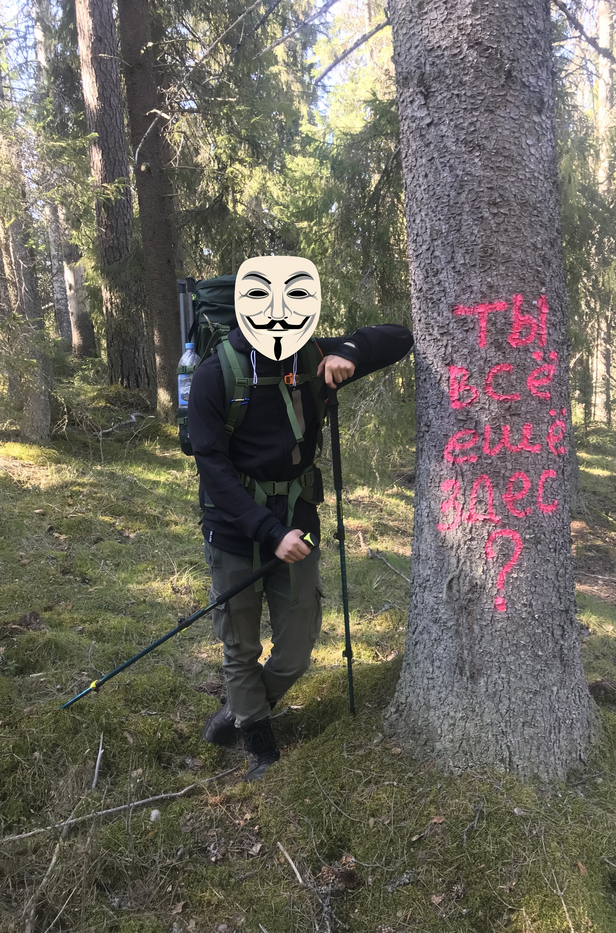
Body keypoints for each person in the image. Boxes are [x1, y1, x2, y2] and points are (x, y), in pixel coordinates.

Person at [187, 258, 413, 781]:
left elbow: (400, 337)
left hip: (299, 518)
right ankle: (261, 748)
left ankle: (241, 709)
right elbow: (212, 470)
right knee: (240, 645)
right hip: (234, 529)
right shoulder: (215, 375)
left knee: (296, 649)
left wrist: (348, 351)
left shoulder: (310, 357)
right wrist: (270, 533)